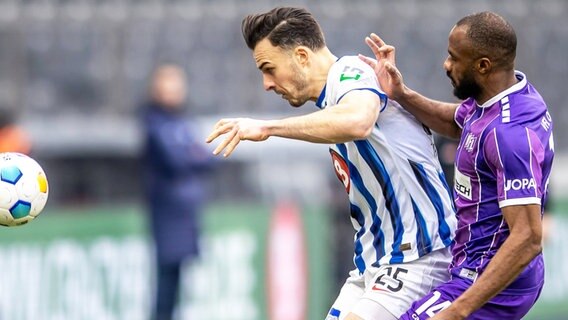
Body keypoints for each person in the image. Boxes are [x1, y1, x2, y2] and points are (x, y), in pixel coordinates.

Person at [206, 7, 456, 320]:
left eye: (269, 68)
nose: (266, 84)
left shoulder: (352, 72)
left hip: (418, 256)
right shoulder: (332, 100)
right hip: (374, 266)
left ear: (300, 56)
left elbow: (358, 121)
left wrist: (268, 128)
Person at [360, 11, 554, 320]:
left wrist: (457, 311)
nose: (446, 65)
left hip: (492, 278)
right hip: (471, 263)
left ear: (483, 65)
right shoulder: (501, 97)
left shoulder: (510, 135)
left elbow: (529, 238)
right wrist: (401, 94)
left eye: (454, 58)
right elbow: (457, 121)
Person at [141, 64, 214, 320]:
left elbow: (209, 157)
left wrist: (191, 154)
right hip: (166, 213)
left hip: (186, 212)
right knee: (166, 280)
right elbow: (177, 159)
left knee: (179, 279)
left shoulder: (183, 121)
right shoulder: (153, 122)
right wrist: (191, 154)